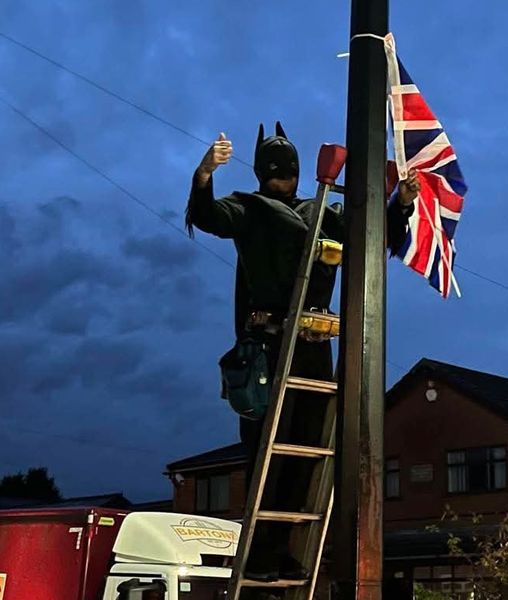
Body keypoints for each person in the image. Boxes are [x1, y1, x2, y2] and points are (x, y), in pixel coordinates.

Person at [185, 123, 418, 582]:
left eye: (287, 171)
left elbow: (371, 235)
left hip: (312, 345)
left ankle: (285, 547)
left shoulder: (322, 212)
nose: (282, 178)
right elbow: (208, 216)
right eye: (274, 172)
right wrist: (204, 173)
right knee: (266, 450)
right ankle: (260, 553)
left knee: (306, 452)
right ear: (261, 173)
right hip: (267, 345)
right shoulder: (248, 208)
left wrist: (401, 203)